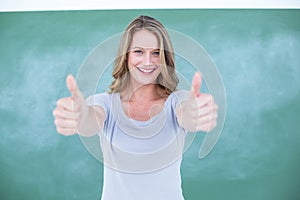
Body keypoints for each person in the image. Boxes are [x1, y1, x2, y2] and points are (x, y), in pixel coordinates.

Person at [53, 15, 218, 200]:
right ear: (126, 56)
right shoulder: (104, 103)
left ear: (164, 58)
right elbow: (90, 121)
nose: (148, 62)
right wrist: (80, 117)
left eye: (156, 53)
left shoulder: (177, 102)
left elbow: (188, 115)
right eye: (139, 51)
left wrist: (197, 114)